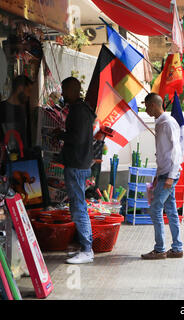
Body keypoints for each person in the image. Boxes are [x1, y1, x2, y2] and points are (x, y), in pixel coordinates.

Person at [55, 77, 96, 264]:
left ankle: (87, 249)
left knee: (79, 206)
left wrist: (61, 135)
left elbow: (77, 138)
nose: (63, 94)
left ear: (73, 89)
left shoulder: (79, 111)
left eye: (64, 90)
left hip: (77, 165)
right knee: (77, 205)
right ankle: (84, 246)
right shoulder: (83, 110)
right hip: (80, 163)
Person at [141, 93, 183, 260]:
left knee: (155, 209)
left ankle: (160, 249)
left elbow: (176, 152)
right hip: (165, 173)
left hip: (170, 174)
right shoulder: (161, 123)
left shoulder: (167, 123)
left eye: (146, 105)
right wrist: (159, 175)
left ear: (153, 105)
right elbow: (163, 153)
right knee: (171, 210)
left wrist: (171, 177)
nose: (146, 109)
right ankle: (177, 248)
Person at [0, 75, 33, 155]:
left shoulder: (25, 110)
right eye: (28, 91)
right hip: (6, 162)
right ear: (20, 88)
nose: (29, 95)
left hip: (23, 161)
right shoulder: (1, 109)